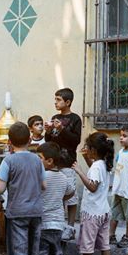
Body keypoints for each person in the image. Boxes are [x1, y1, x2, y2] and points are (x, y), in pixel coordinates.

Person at [0, 122, 46, 255]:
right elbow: (44, 185)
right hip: (36, 211)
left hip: (17, 213)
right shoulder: (37, 160)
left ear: (9, 141)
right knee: (34, 253)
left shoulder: (8, 160)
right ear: (30, 139)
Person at [68, 132, 115, 255]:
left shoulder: (96, 166)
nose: (85, 148)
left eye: (88, 147)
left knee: (87, 248)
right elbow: (95, 174)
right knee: (104, 246)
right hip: (104, 211)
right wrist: (86, 159)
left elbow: (93, 186)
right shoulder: (104, 163)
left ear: (94, 150)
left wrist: (79, 171)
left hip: (92, 214)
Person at [35, 142, 75, 255]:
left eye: (40, 158)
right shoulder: (64, 178)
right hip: (58, 224)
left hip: (43, 223)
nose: (37, 161)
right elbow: (71, 192)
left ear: (49, 161)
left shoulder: (42, 177)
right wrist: (61, 198)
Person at [44, 88, 81, 240]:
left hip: (68, 163)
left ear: (68, 102)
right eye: (55, 99)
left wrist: (62, 129)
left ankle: (71, 227)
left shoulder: (75, 119)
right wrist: (48, 131)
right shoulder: (55, 117)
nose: (56, 102)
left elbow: (75, 141)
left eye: (59, 100)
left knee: (71, 196)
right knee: (58, 195)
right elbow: (49, 142)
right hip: (55, 164)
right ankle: (60, 224)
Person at [58, 149, 78, 241]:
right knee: (59, 198)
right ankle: (60, 226)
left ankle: (70, 228)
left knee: (71, 198)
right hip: (56, 161)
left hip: (68, 163)